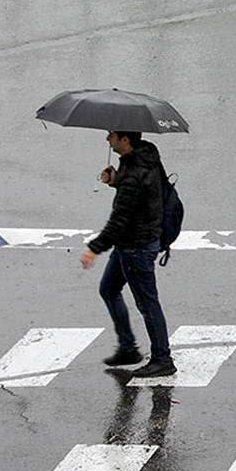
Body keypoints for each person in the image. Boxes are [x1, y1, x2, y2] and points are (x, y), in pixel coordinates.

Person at [80, 130, 176, 378]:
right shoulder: (146, 157)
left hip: (136, 246)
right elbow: (142, 193)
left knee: (147, 304)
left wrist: (94, 248)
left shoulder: (133, 172)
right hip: (135, 242)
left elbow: (119, 220)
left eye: (111, 136)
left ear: (125, 140)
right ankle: (127, 348)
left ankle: (163, 359)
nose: (107, 140)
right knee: (109, 289)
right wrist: (117, 181)